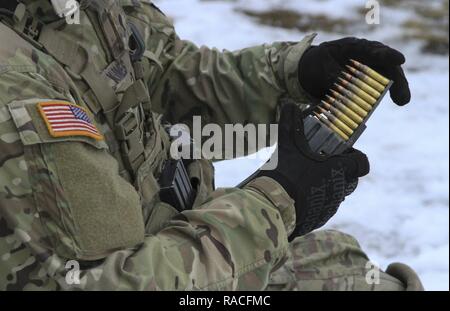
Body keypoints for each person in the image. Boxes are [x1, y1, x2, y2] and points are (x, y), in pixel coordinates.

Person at [0, 0, 423, 290]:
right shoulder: (14, 89)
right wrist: (279, 198)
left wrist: (293, 74)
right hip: (172, 271)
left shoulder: (72, 9)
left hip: (183, 245)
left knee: (348, 266)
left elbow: (163, 74)